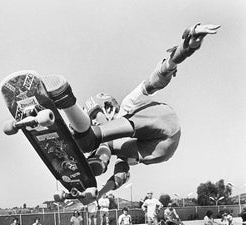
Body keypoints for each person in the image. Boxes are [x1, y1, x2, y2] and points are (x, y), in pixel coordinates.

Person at [43, 23, 220, 198]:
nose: (96, 122)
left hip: (162, 121)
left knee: (94, 141)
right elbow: (121, 175)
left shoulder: (128, 104)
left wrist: (184, 50)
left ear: (109, 108)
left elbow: (155, 80)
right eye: (93, 120)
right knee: (107, 146)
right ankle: (91, 153)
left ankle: (66, 102)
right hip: (156, 149)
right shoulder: (121, 150)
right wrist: (99, 194)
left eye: (96, 117)